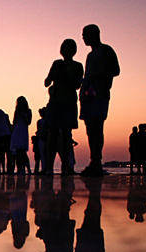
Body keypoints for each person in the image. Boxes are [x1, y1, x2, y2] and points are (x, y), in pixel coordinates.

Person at [78, 24, 119, 177]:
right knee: (90, 130)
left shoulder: (105, 50)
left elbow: (116, 70)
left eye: (85, 34)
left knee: (97, 127)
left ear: (95, 34)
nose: (83, 37)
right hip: (87, 95)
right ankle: (93, 160)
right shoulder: (89, 56)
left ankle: (97, 161)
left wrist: (98, 76)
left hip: (100, 94)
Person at [43, 39, 84, 175]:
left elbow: (77, 85)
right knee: (52, 134)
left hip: (69, 102)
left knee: (67, 135)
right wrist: (53, 76)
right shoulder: (56, 64)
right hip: (55, 102)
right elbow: (47, 82)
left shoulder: (78, 66)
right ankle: (49, 167)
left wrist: (65, 75)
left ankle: (65, 166)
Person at [10, 96, 32, 174]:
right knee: (17, 151)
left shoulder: (28, 111)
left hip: (23, 130)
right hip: (17, 130)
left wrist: (22, 115)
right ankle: (20, 169)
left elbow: (28, 122)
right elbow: (14, 122)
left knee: (22, 151)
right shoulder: (17, 111)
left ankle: (28, 168)